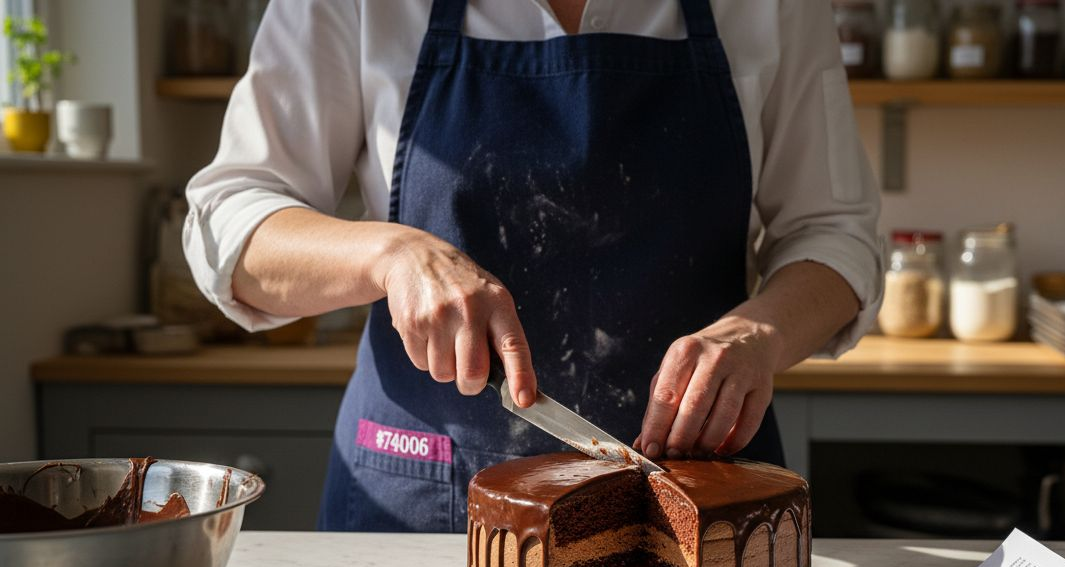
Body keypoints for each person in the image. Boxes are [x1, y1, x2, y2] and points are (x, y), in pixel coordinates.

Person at [184, 0, 883, 532]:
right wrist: (390, 253)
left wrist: (759, 333)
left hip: (701, 503)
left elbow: (835, 234)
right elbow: (230, 224)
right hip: (424, 505)